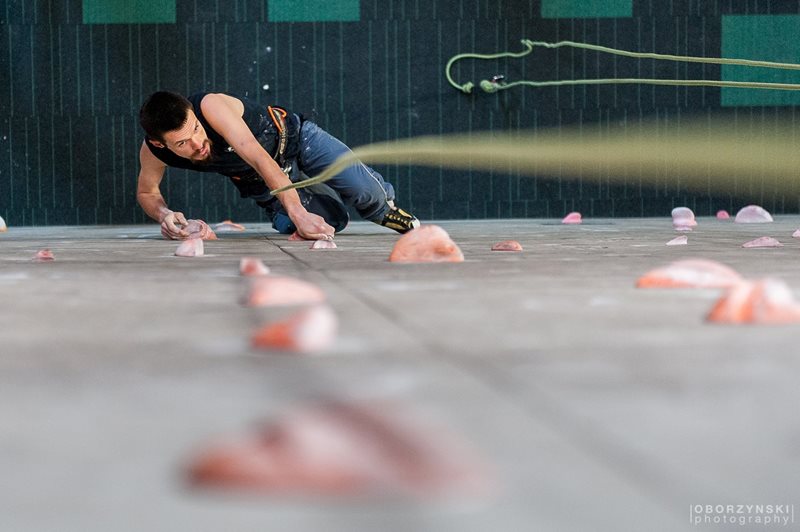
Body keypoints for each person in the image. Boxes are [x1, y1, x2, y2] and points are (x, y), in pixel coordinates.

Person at [136, 91, 420, 240]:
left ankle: (383, 209)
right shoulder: (153, 153)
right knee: (332, 223)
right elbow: (147, 192)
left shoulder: (211, 106)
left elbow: (258, 156)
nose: (198, 143)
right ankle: (295, 200)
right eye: (183, 143)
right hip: (260, 181)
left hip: (295, 140)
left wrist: (298, 212)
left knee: (364, 191)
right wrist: (164, 214)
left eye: (197, 129)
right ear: (160, 144)